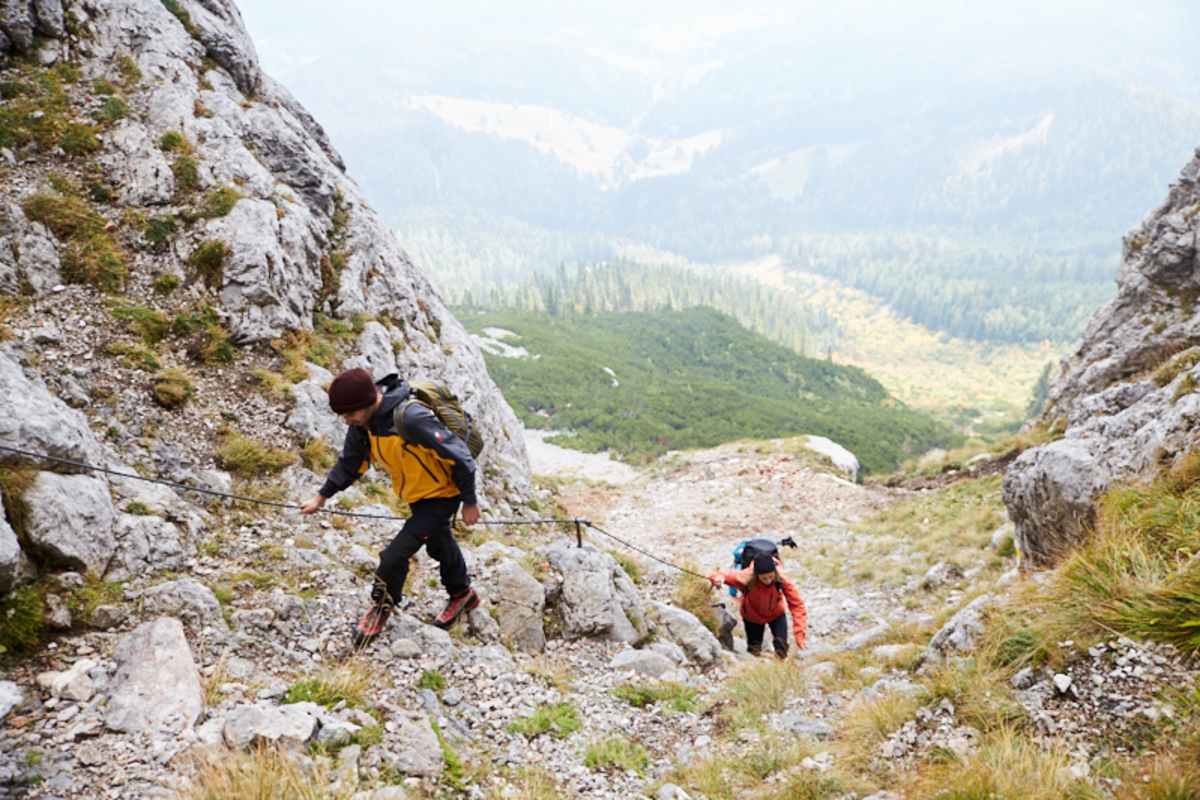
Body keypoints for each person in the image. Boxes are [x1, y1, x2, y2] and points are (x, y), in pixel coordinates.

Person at [300, 368, 480, 648]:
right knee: (438, 541)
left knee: (393, 556)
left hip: (444, 492)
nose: (346, 421)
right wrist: (321, 497)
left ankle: (382, 606)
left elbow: (461, 457)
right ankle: (463, 593)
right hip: (418, 491)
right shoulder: (364, 425)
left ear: (369, 402)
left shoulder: (411, 418)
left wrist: (469, 502)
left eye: (349, 414)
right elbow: (351, 463)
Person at [707, 553, 807, 658]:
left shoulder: (782, 579)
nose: (768, 580)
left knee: (781, 647)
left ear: (775, 573)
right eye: (764, 578)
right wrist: (718, 579)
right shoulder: (746, 577)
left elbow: (797, 605)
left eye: (771, 577)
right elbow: (719, 575)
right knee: (754, 650)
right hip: (752, 617)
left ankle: (780, 669)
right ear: (756, 575)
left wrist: (799, 633)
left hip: (776, 614)